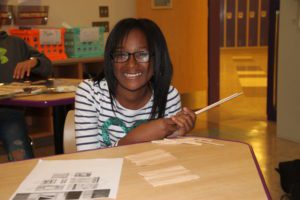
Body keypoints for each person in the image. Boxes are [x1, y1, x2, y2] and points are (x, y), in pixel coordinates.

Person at [75, 18, 196, 151]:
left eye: (142, 54)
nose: (131, 64)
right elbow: (88, 159)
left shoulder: (168, 96)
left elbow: (168, 157)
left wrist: (175, 135)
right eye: (121, 55)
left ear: (157, 59)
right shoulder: (90, 94)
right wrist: (136, 138)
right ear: (111, 60)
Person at [0, 18, 52, 161]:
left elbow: (47, 67)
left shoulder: (16, 44)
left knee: (19, 150)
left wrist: (34, 62)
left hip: (9, 113)